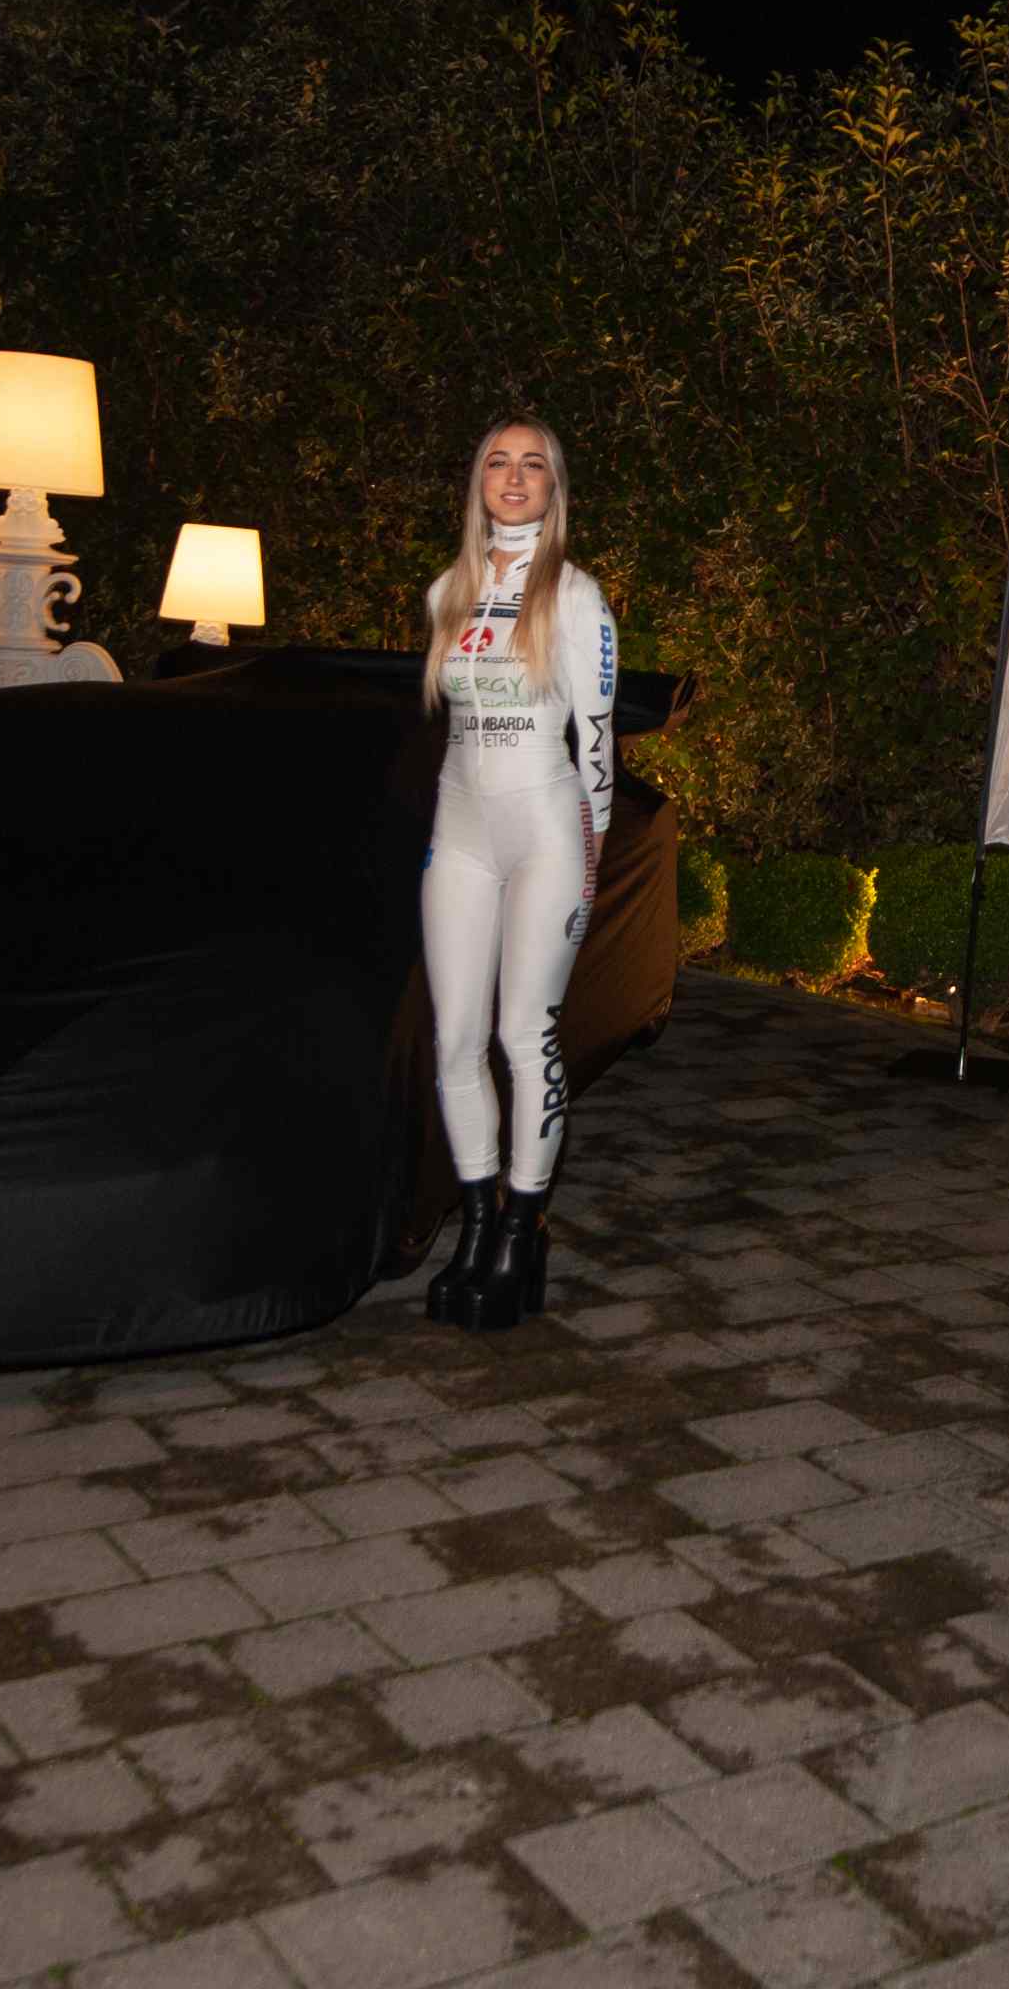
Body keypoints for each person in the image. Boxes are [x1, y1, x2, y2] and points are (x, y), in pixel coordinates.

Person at [413, 417, 616, 1331]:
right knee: (455, 1039)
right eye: (498, 460)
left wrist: (594, 855)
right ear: (479, 481)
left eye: (534, 463)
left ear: (553, 487)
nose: (515, 475)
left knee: (523, 1032)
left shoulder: (574, 595)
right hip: (459, 831)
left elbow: (598, 742)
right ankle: (476, 1223)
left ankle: (522, 1233)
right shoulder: (447, 591)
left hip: (547, 834)